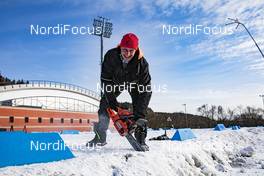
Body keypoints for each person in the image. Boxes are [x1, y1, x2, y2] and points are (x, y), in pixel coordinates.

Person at [87, 33, 152, 149]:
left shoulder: (142, 64)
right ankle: (100, 137)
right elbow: (105, 80)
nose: (127, 54)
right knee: (104, 105)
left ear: (136, 49)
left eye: (131, 51)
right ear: (120, 47)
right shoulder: (111, 56)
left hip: (135, 85)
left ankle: (141, 139)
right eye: (124, 50)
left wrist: (140, 115)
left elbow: (146, 90)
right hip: (116, 83)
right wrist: (112, 104)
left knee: (140, 111)